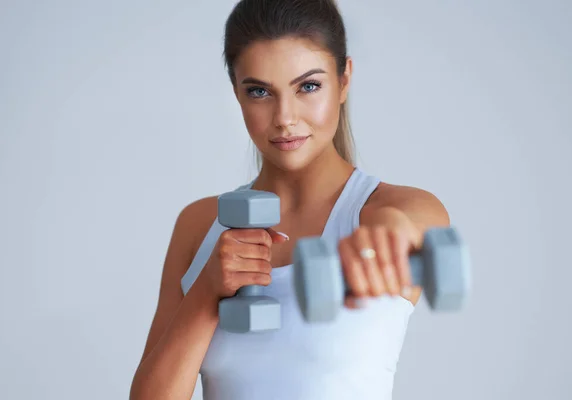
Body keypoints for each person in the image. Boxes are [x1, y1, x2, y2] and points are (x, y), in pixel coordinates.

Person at [130, 0, 450, 399]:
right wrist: (207, 290)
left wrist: (382, 243)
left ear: (344, 79)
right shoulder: (199, 224)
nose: (284, 117)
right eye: (260, 91)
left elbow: (404, 228)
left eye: (308, 86)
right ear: (236, 93)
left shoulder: (397, 208)